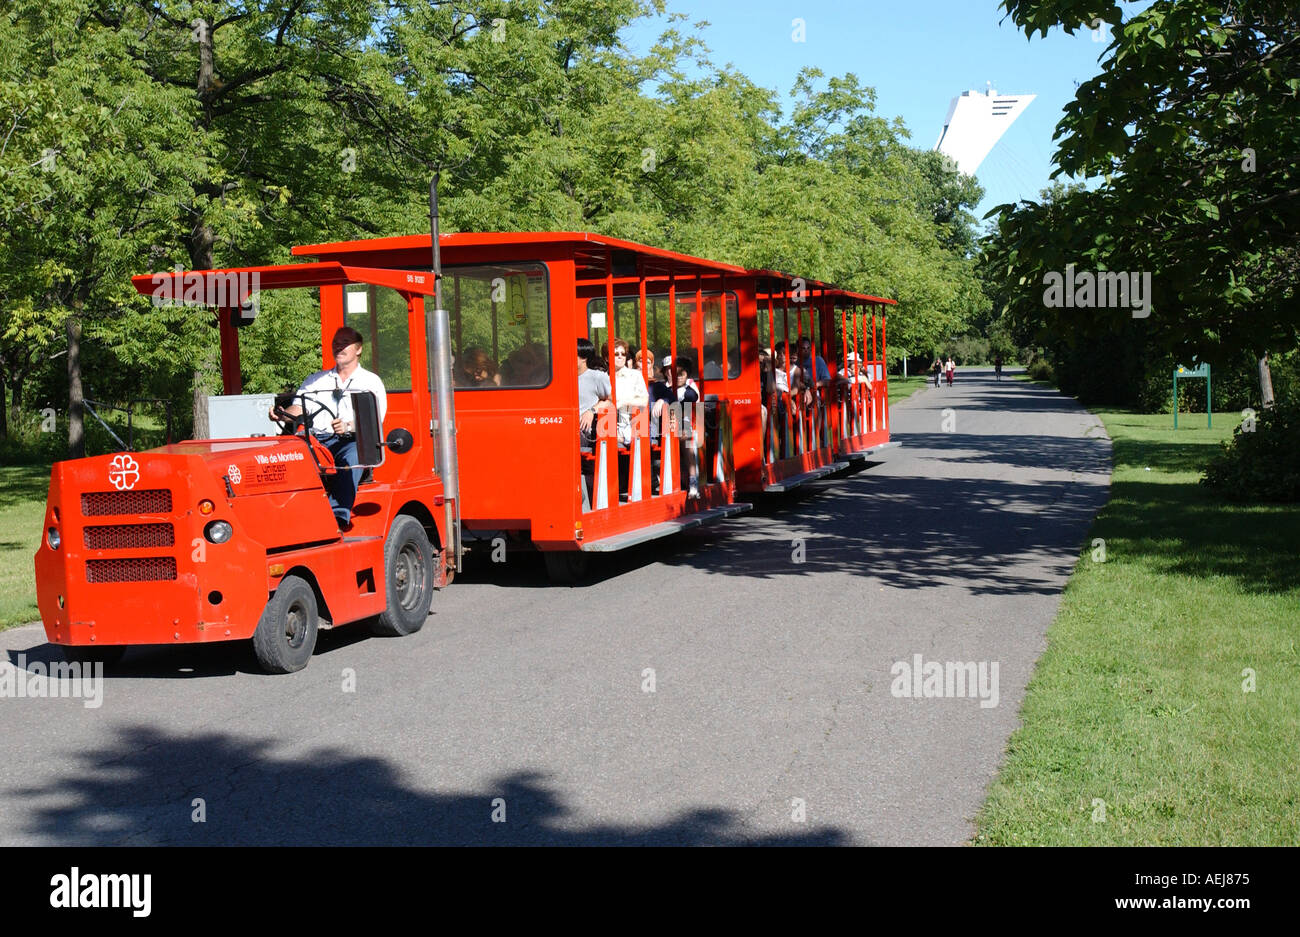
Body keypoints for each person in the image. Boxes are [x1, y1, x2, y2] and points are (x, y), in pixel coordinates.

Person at [270, 325, 387, 530]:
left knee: (352, 457)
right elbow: (299, 407)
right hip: (317, 440)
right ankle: (284, 516)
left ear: (358, 349)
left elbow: (375, 420)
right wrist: (284, 414)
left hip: (351, 441)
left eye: (345, 343)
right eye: (336, 343)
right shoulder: (316, 380)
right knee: (282, 456)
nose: (339, 347)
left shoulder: (370, 382)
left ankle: (337, 517)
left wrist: (348, 425)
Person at [576, 338, 612, 451]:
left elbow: (610, 400)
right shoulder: (560, 378)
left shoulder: (597, 377)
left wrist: (591, 411)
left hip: (583, 430)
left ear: (584, 358)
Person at [611, 339, 649, 445]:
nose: (620, 356)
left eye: (623, 354)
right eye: (616, 354)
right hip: (609, 427)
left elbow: (644, 401)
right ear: (607, 357)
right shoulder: (604, 377)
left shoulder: (635, 375)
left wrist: (623, 402)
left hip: (631, 426)